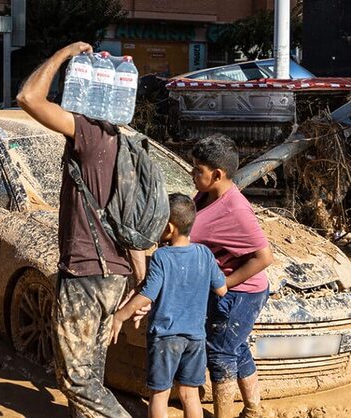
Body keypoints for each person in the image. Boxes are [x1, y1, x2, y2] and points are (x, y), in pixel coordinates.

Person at [16, 42, 146, 417]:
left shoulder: (88, 133)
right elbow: (129, 219)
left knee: (76, 380)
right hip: (114, 276)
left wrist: (62, 53)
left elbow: (28, 97)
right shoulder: (124, 142)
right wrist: (138, 279)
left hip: (87, 274)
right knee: (91, 374)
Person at [111, 193, 227, 418]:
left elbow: (147, 295)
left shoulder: (161, 257)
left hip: (165, 337)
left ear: (170, 227)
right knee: (190, 393)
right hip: (195, 337)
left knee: (159, 394)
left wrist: (119, 316)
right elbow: (221, 289)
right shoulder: (204, 253)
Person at [189, 135, 273, 418]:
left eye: (197, 170)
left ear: (217, 174)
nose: (192, 174)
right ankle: (253, 410)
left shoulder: (236, 209)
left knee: (220, 354)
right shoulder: (205, 194)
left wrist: (225, 283)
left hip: (242, 293)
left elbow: (264, 256)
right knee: (235, 348)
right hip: (227, 290)